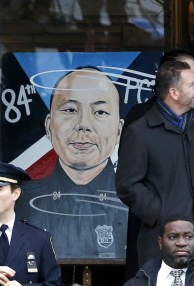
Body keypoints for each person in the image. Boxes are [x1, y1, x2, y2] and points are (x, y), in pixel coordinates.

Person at [122, 49, 194, 279]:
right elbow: (127, 185)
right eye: (192, 85)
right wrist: (160, 214)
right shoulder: (140, 131)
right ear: (173, 92)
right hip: (163, 239)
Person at [18, 67, 127, 259]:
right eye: (70, 110)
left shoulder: (134, 200)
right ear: (49, 126)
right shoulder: (22, 202)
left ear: (118, 130)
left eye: (100, 112)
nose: (83, 124)